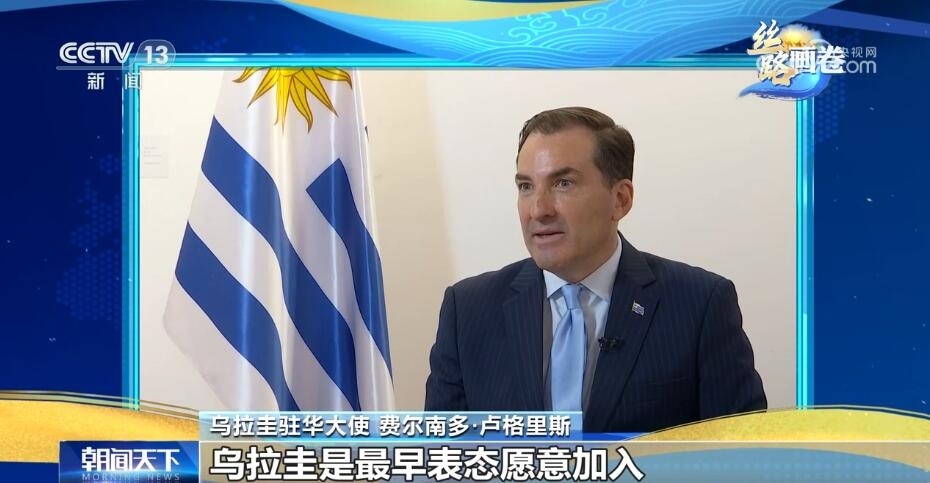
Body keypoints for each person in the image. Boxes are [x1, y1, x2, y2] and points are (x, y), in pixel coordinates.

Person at [424, 106, 767, 432]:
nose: (538, 210)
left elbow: (742, 456)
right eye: (526, 186)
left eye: (563, 183)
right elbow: (439, 455)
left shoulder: (699, 305)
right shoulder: (468, 310)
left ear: (620, 199)